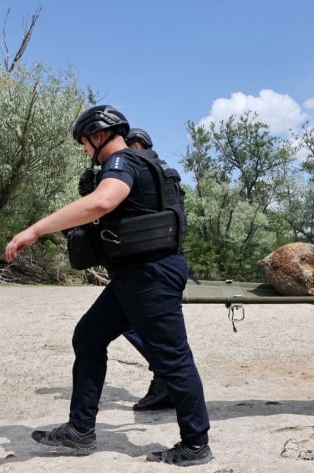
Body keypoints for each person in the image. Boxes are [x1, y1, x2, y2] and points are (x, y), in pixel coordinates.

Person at [5, 105, 213, 466]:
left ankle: (195, 444)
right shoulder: (151, 164)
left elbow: (101, 202)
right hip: (138, 275)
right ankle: (80, 429)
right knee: (88, 336)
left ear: (98, 135)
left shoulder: (122, 163)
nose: (85, 152)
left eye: (84, 144)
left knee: (174, 358)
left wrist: (35, 229)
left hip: (148, 275)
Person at [119, 127, 173, 412]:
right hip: (163, 261)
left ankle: (166, 379)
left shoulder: (142, 175)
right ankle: (166, 379)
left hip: (147, 265)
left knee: (134, 324)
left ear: (136, 145)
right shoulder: (166, 175)